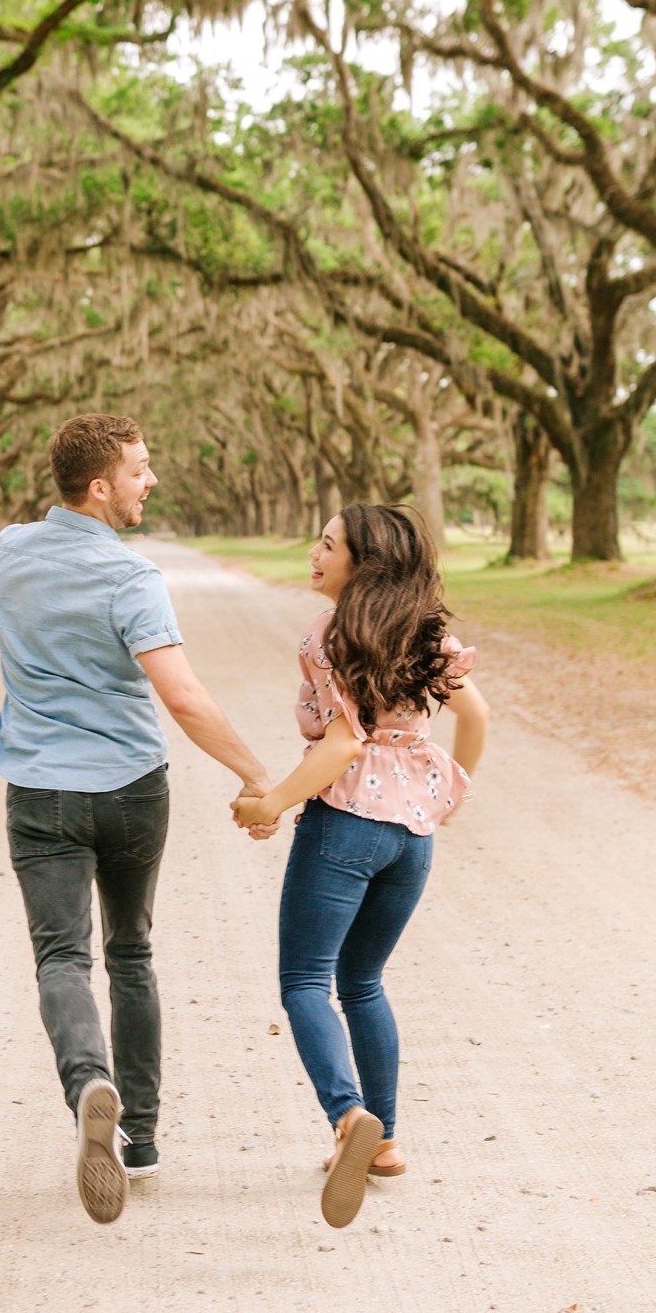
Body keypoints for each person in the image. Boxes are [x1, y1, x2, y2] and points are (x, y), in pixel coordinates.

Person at [0, 413, 274, 1225]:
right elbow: (181, 696)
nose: (151, 481)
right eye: (140, 470)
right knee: (132, 952)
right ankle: (141, 1141)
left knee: (61, 958)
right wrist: (257, 775)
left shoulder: (7, 553)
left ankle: (89, 1084)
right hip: (130, 789)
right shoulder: (131, 578)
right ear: (99, 486)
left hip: (41, 789)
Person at [231, 504, 489, 1229]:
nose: (314, 553)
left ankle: (349, 1119)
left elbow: (343, 744)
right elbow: (477, 718)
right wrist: (446, 796)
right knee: (364, 981)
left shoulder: (330, 635)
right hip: (412, 837)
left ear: (363, 563)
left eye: (329, 544)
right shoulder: (427, 633)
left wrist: (273, 804)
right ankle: (385, 1142)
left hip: (345, 823)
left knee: (306, 980)